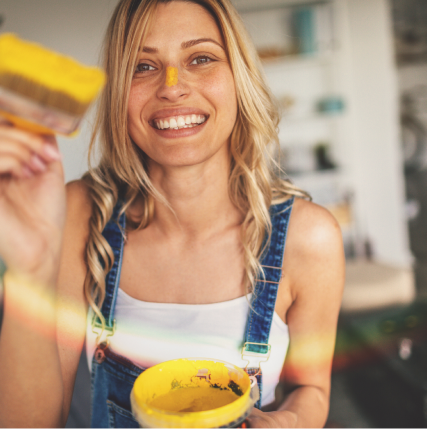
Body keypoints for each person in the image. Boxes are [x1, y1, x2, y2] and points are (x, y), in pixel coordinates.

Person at [0, 0, 345, 428]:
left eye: (200, 58)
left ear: (239, 77)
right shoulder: (80, 213)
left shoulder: (308, 238)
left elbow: (311, 390)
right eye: (143, 67)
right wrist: (28, 267)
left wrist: (290, 421)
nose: (172, 86)